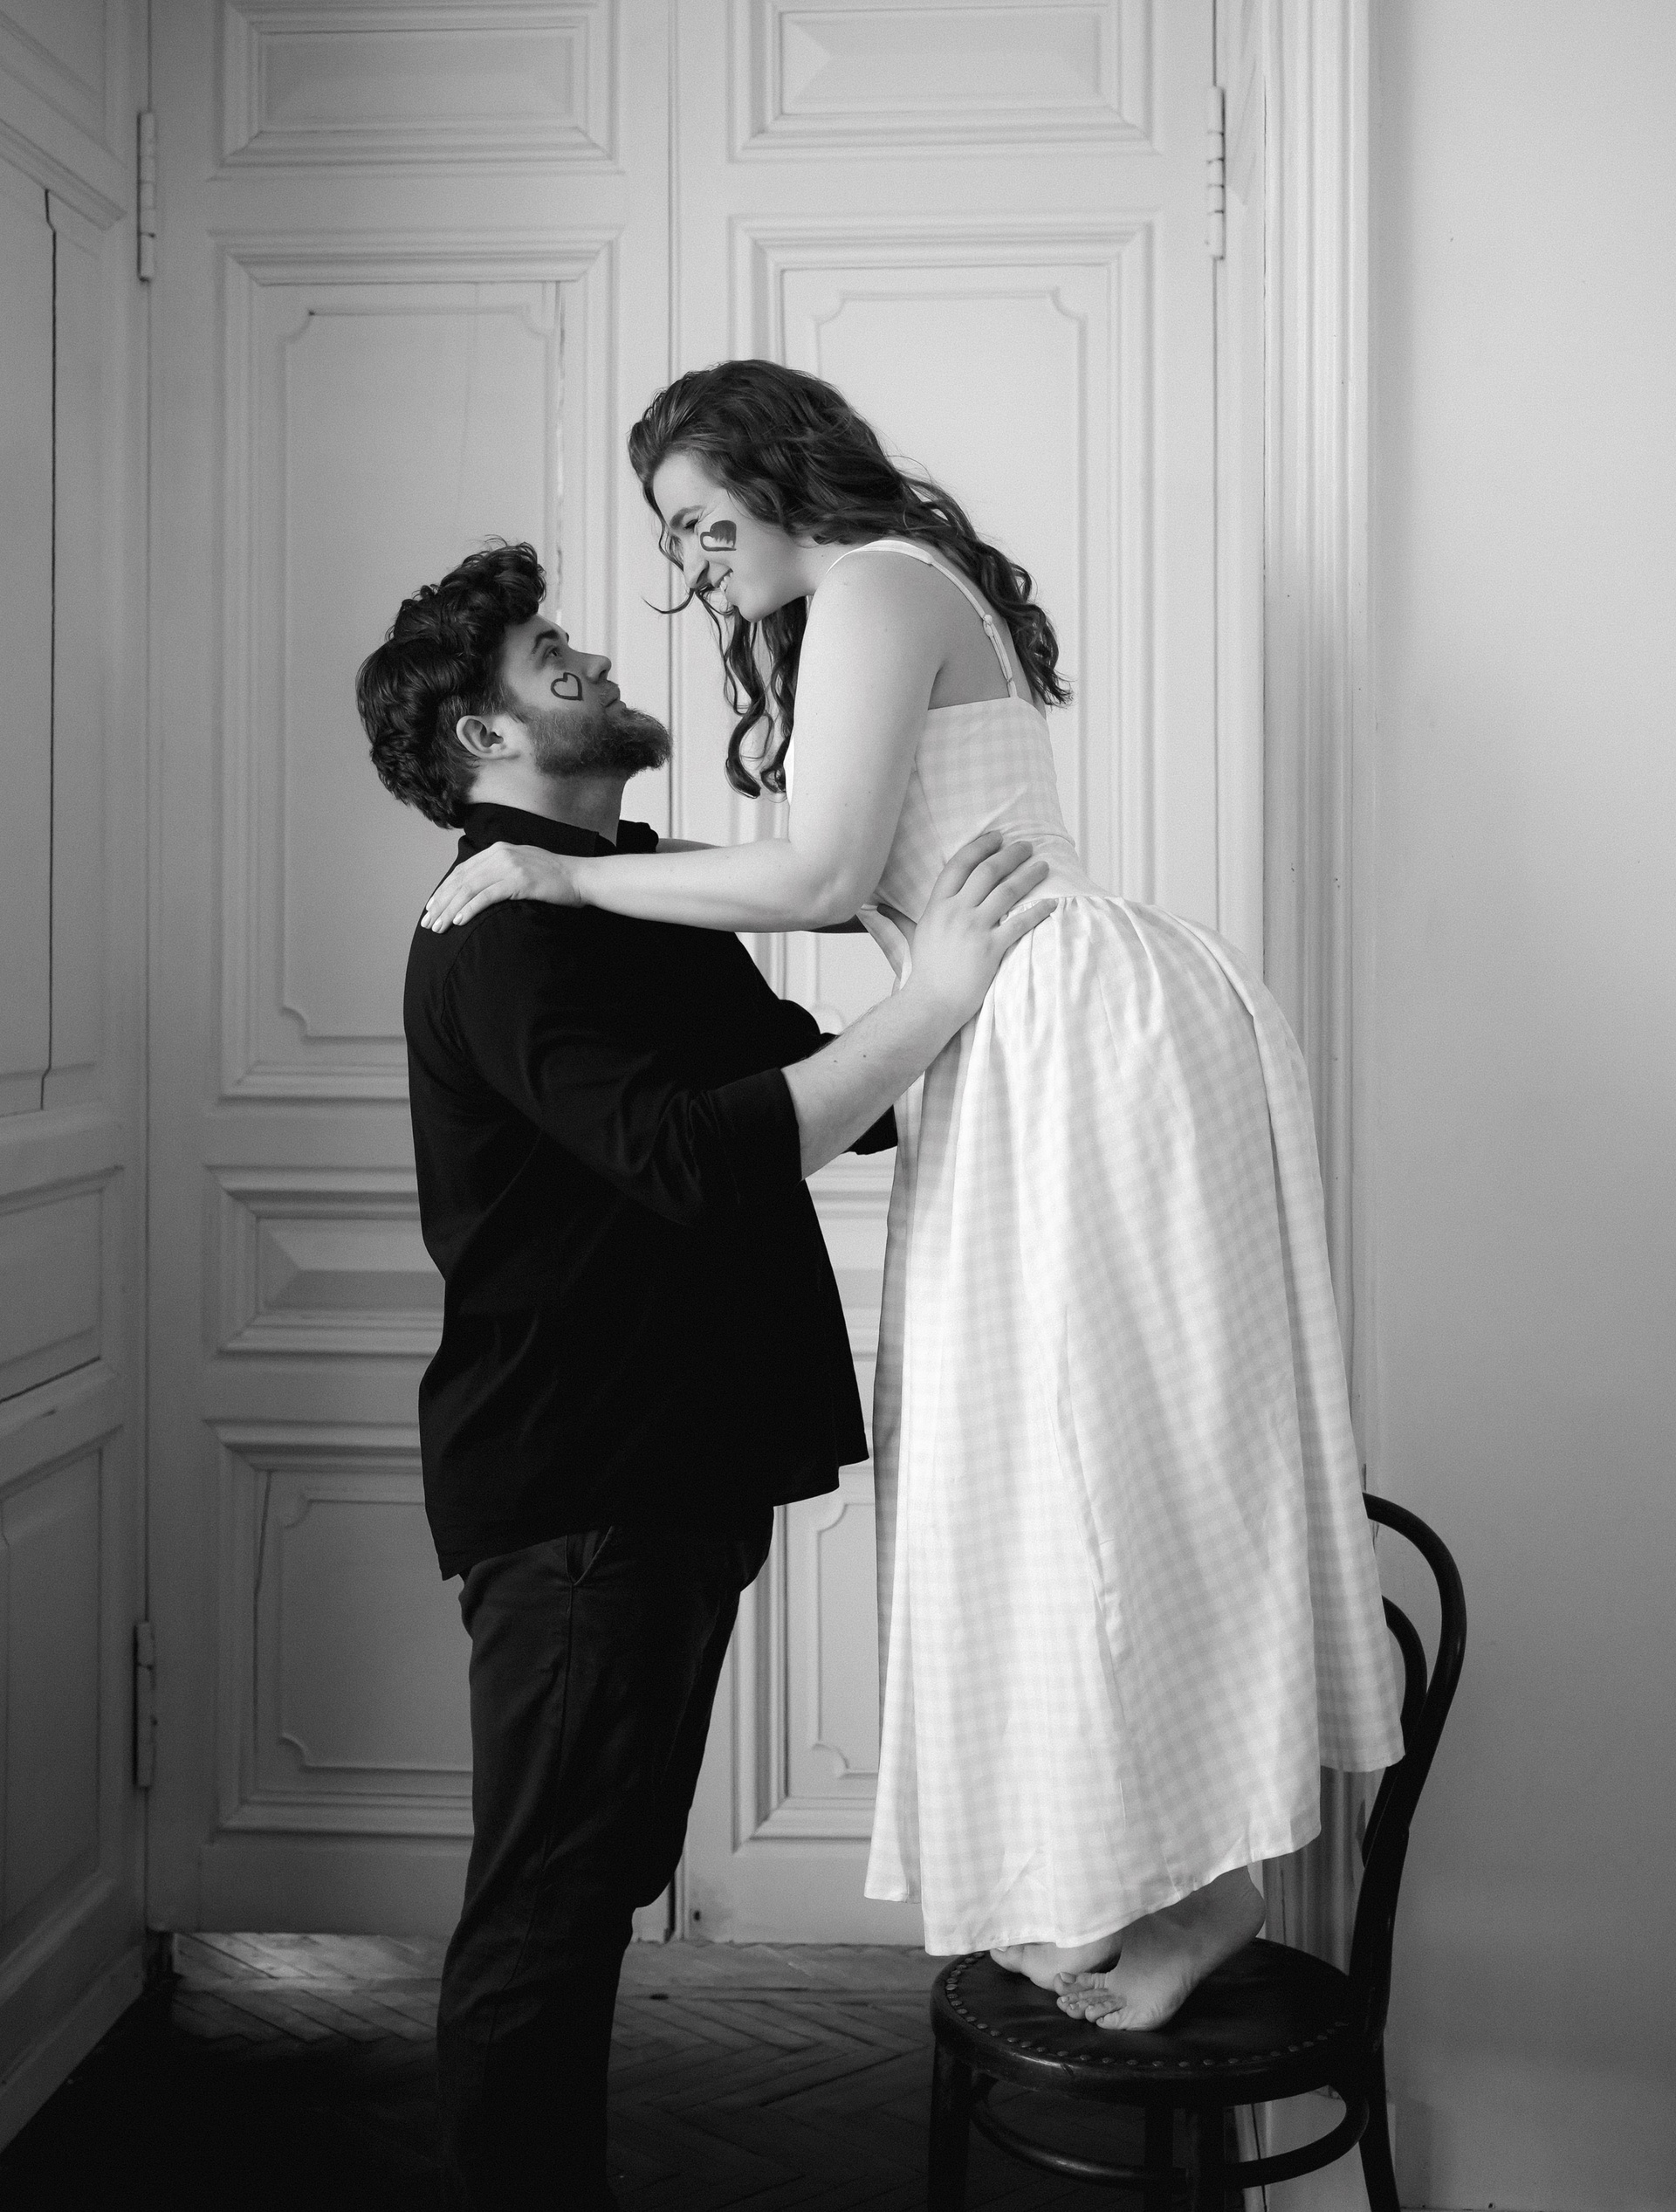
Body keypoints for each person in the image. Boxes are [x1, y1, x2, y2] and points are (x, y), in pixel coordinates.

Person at [418, 362, 1405, 2036]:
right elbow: (810, 951)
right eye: (673, 536)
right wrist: (599, 886)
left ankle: (1210, 1873)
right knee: (1036, 1461)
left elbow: (817, 879)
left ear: (776, 464)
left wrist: (563, 869)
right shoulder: (856, 606)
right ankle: (1119, 1872)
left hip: (1062, 1019)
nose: (690, 565)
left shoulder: (875, 582)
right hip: (1014, 1032)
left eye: (699, 518)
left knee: (1094, 1449)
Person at [356, 539, 1050, 2209]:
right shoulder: (499, 934)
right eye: (551, 658)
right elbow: (695, 1153)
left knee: (593, 1885)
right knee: (545, 1912)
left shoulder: (619, 893)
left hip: (664, 1477)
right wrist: (936, 994)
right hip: (581, 1495)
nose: (596, 658)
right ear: (484, 737)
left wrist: (952, 960)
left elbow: (822, 1088)